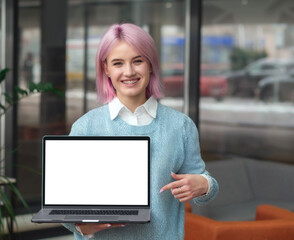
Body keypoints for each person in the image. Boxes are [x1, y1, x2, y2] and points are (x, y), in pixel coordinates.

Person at [62, 23, 219, 240]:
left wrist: (204, 184)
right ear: (106, 68)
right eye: (118, 63)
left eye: (138, 61)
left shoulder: (180, 126)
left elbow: (204, 186)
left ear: (151, 64)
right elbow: (65, 202)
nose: (129, 72)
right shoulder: (85, 127)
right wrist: (81, 227)